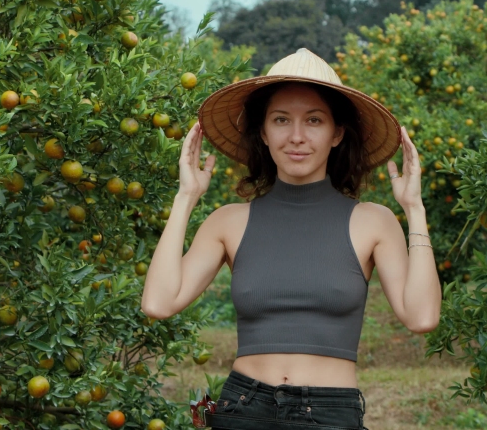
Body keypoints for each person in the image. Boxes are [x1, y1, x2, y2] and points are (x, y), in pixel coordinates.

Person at [141, 48, 441, 430]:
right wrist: (186, 197)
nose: (297, 136)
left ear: (337, 134)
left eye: (313, 120)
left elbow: (422, 317)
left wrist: (415, 209)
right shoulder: (228, 222)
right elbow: (158, 302)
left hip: (330, 415)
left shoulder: (373, 222)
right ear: (264, 133)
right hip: (243, 409)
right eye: (281, 120)